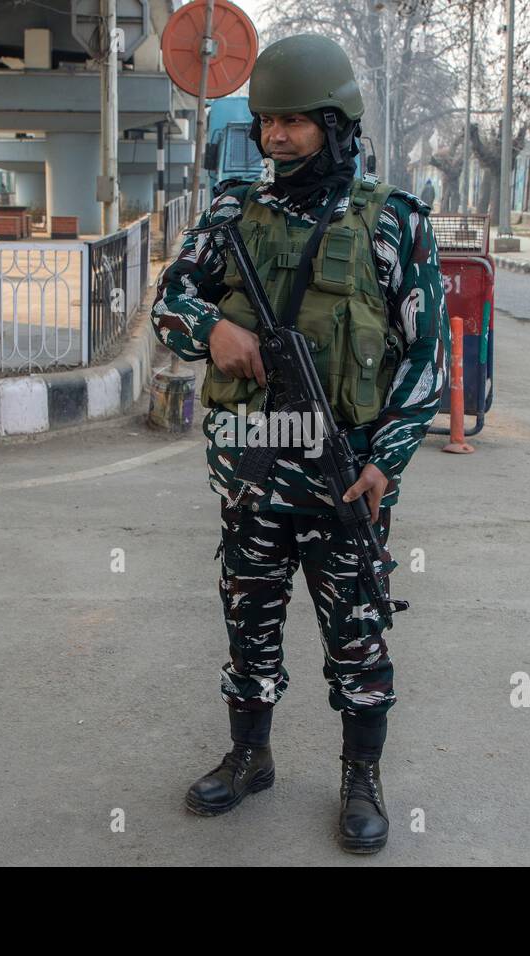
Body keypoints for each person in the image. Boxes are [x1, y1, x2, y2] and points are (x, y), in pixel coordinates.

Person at [150, 34, 448, 854]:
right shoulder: (232, 212)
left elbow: (427, 359)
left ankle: (361, 775)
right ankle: (250, 756)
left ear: (336, 122)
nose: (275, 136)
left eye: (294, 122)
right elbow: (170, 301)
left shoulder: (393, 223)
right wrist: (212, 330)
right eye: (267, 121)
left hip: (343, 470)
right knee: (249, 613)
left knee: (357, 627)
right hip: (253, 464)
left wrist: (386, 462)